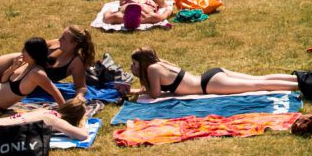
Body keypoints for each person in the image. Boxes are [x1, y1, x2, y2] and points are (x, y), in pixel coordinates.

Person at [128, 50, 300, 97]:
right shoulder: (159, 63)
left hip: (208, 85)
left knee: (260, 85)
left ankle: (303, 85)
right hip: (211, 75)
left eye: (134, 64)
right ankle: (302, 77)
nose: (132, 66)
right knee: (261, 79)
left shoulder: (151, 70)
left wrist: (137, 76)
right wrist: (138, 90)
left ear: (142, 63)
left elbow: (155, 94)